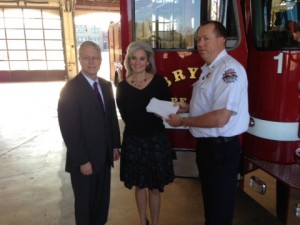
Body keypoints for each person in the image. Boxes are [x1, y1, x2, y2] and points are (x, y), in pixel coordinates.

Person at [166, 21, 249, 225]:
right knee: (212, 206)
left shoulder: (229, 71)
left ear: (222, 41)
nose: (200, 44)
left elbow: (221, 117)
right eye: (198, 40)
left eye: (206, 39)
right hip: (209, 149)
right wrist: (187, 108)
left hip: (220, 150)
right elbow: (208, 104)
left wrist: (185, 122)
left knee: (219, 209)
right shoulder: (210, 69)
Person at [57, 41, 121, 225]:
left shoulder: (106, 86)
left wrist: (115, 144)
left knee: (101, 204)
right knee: (85, 208)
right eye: (86, 58)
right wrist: (82, 160)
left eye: (95, 58)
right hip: (84, 162)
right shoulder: (70, 90)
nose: (91, 62)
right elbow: (69, 130)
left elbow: (111, 118)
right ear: (80, 60)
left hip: (104, 157)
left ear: (101, 61)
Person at [116, 40, 174, 225]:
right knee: (139, 187)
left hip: (155, 141)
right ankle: (143, 221)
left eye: (142, 58)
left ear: (148, 61)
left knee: (155, 188)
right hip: (134, 142)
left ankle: (155, 222)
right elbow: (124, 115)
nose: (137, 62)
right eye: (133, 58)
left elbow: (169, 112)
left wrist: (165, 112)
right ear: (128, 61)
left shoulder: (159, 82)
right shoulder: (122, 87)